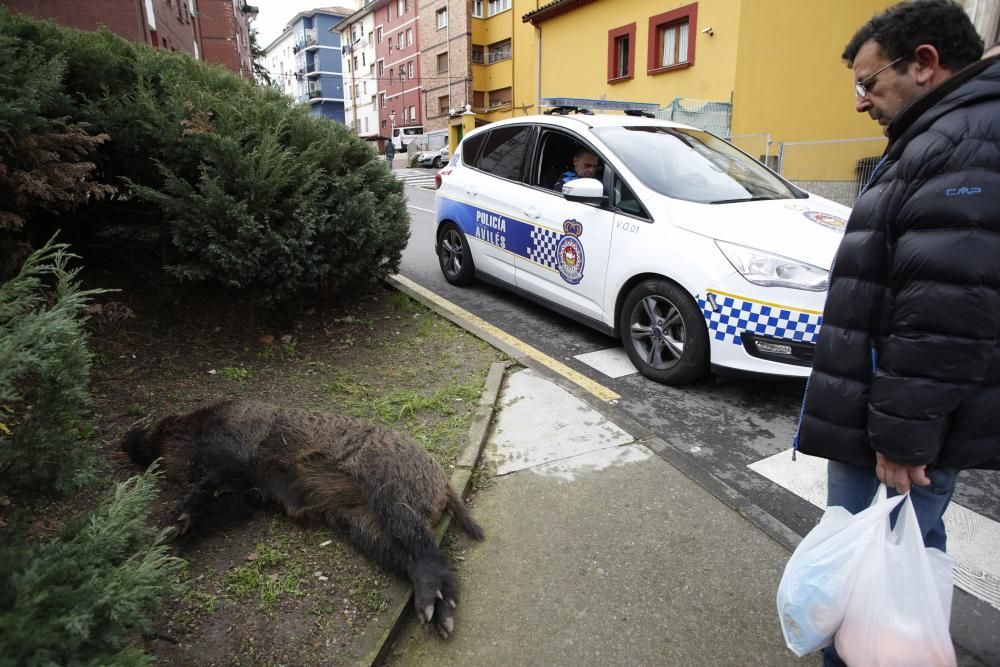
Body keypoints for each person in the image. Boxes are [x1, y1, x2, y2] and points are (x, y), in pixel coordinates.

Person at [793, 2, 998, 663]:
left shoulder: (961, 141)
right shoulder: (948, 131)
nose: (860, 102)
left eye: (868, 83)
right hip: (896, 415)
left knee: (868, 568)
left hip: (897, 430)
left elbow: (949, 306)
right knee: (900, 551)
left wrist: (903, 436)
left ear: (925, 64)